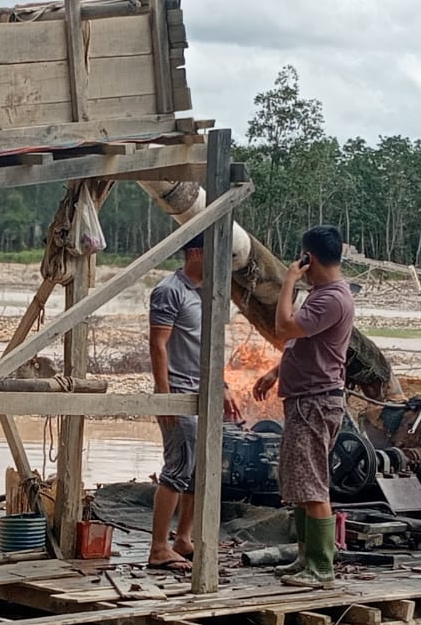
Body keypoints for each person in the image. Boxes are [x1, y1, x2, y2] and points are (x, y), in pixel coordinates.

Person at [252, 225, 354, 588]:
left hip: (315, 402)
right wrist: (275, 372)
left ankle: (321, 566)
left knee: (312, 484)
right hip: (304, 398)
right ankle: (304, 556)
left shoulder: (331, 298)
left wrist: (288, 281)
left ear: (309, 257)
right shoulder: (323, 294)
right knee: (298, 482)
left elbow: (283, 327)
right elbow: (306, 344)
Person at [147, 234, 241, 571]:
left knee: (200, 471)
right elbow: (158, 344)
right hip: (180, 394)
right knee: (176, 470)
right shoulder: (169, 290)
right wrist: (165, 396)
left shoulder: (207, 293)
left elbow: (210, 347)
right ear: (197, 253)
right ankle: (158, 547)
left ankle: (183, 538)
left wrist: (223, 385)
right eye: (215, 254)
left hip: (205, 394)